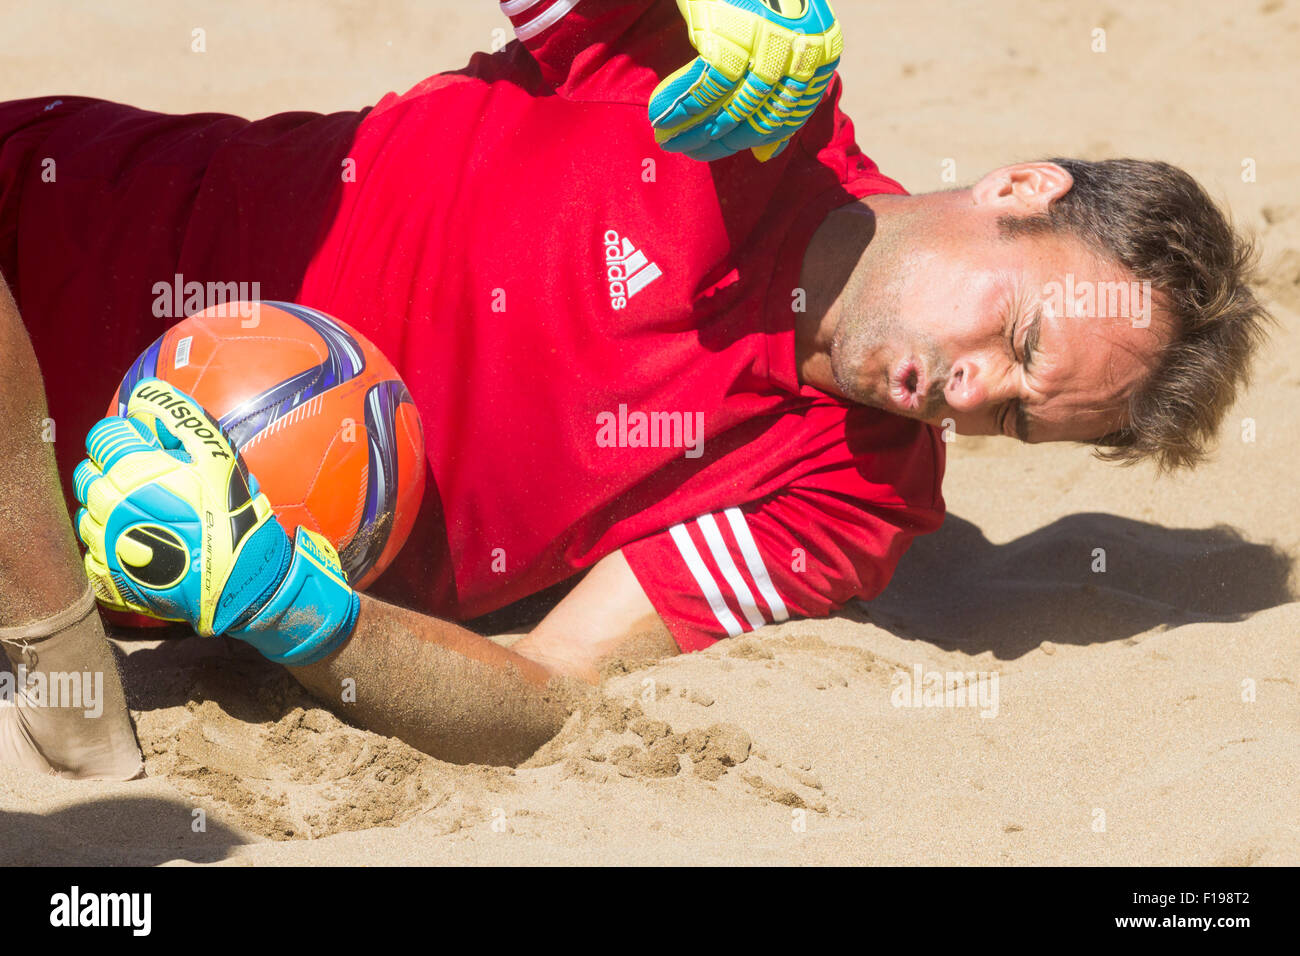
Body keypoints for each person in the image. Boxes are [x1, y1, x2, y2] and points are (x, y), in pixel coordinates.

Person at [0, 0, 1269, 777]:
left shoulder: (847, 500)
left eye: (1008, 417)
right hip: (36, 229)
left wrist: (291, 606)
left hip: (137, 544)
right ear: (1019, 188)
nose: (967, 391)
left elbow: (546, 691)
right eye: (1020, 338)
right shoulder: (735, 91)